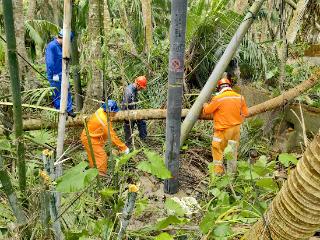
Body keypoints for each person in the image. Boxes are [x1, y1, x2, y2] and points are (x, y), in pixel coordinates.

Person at [202, 78, 249, 176]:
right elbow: (245, 113)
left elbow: (207, 111)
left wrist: (205, 104)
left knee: (217, 149)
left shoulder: (218, 98)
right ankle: (232, 173)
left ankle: (218, 173)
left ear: (219, 88)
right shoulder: (240, 97)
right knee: (232, 149)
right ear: (230, 86)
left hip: (222, 130)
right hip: (236, 129)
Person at [81, 100, 129, 176]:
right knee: (102, 156)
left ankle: (93, 173)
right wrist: (124, 148)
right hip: (90, 139)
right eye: (114, 112)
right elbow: (112, 136)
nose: (115, 113)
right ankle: (101, 175)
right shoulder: (103, 120)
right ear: (109, 111)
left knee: (94, 157)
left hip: (91, 136)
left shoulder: (101, 110)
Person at [45, 29, 75, 117]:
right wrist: (54, 74)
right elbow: (50, 62)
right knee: (57, 93)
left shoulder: (62, 47)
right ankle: (61, 112)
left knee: (67, 90)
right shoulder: (52, 46)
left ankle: (69, 109)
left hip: (63, 73)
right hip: (55, 75)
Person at [121, 76, 148, 148]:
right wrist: (125, 117)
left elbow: (134, 102)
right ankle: (128, 146)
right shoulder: (129, 92)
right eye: (141, 88)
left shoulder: (135, 89)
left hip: (134, 111)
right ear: (138, 85)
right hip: (128, 113)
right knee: (129, 129)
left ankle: (143, 139)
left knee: (142, 122)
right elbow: (124, 105)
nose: (141, 89)